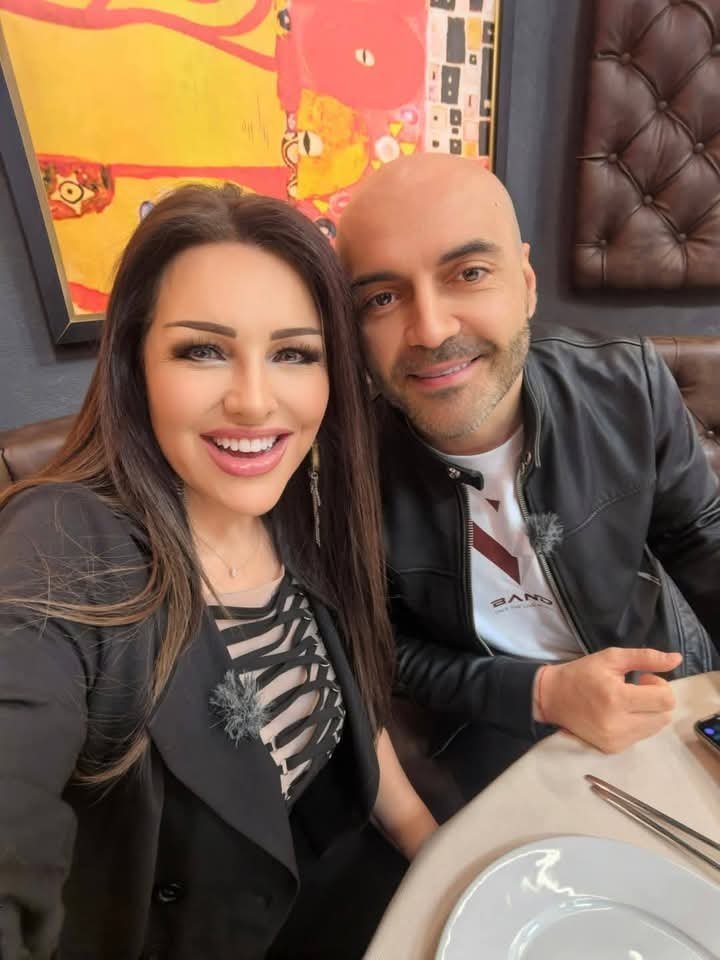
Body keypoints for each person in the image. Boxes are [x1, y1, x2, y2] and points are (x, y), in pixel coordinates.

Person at [0, 184, 437, 959]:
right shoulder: (61, 538)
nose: (255, 402)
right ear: (135, 363)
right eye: (203, 350)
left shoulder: (302, 504)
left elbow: (360, 709)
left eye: (293, 353)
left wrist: (434, 850)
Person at [336, 154, 720, 801]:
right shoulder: (342, 467)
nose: (430, 329)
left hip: (662, 692)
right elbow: (377, 649)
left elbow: (699, 536)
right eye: (382, 297)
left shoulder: (628, 382)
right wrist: (541, 692)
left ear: (527, 283)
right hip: (488, 729)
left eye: (469, 273)